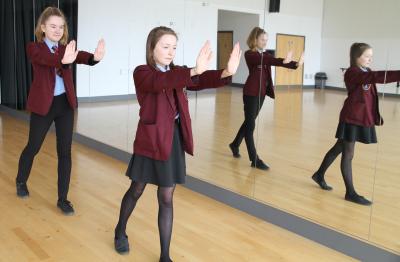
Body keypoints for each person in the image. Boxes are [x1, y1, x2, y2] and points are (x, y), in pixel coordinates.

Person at [113, 26, 242, 261]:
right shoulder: (142, 72)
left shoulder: (178, 71)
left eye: (174, 47)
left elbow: (201, 79)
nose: (171, 51)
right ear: (152, 48)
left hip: (172, 140)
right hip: (150, 140)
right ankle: (120, 230)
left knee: (166, 197)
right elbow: (160, 82)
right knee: (137, 189)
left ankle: (165, 256)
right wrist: (193, 70)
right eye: (165, 46)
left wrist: (226, 72)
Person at [15, 7, 105, 215]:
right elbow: (46, 60)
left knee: (65, 153)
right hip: (43, 106)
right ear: (43, 28)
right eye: (53, 26)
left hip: (64, 105)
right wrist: (62, 61)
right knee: (33, 147)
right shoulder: (34, 48)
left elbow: (80, 56)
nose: (57, 30)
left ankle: (63, 199)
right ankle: (21, 180)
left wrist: (95, 58)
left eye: (61, 27)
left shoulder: (65, 50)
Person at [312, 42, 400, 206]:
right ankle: (350, 192)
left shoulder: (366, 71)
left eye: (371, 56)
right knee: (348, 153)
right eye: (367, 56)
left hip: (361, 117)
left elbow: (371, 95)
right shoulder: (352, 73)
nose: (370, 59)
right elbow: (376, 77)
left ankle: (319, 175)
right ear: (356, 57)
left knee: (339, 147)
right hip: (351, 117)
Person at [229, 27, 304, 170]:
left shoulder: (265, 55)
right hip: (251, 93)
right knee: (250, 126)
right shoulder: (250, 54)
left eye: (266, 40)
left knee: (248, 122)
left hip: (261, 93)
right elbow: (269, 60)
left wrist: (296, 64)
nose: (265, 42)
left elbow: (272, 60)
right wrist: (283, 60)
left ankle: (234, 144)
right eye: (262, 39)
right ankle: (254, 159)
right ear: (255, 39)